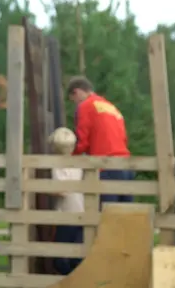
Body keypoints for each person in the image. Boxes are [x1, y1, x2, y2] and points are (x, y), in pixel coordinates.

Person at [66, 76, 133, 204]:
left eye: (74, 100)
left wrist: (68, 159)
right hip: (126, 166)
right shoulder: (111, 107)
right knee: (124, 218)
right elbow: (123, 138)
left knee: (105, 218)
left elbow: (82, 142)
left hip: (106, 167)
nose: (76, 104)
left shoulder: (85, 106)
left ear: (77, 92)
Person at [47, 127, 84, 275]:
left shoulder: (57, 166)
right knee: (76, 256)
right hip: (80, 212)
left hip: (66, 215)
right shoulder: (79, 164)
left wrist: (47, 189)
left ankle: (71, 282)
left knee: (60, 259)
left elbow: (61, 190)